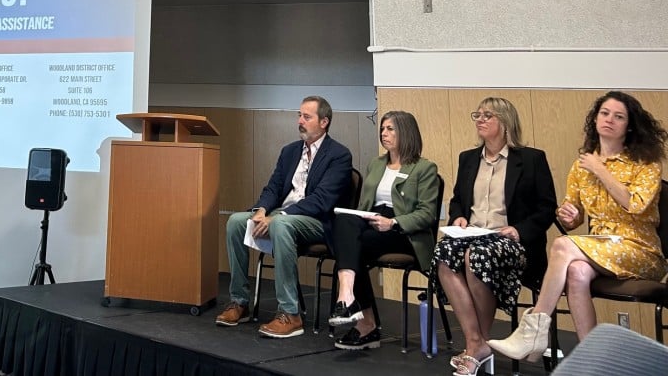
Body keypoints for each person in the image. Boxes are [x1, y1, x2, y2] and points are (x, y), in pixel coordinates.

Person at [489, 91, 668, 362]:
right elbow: (572, 220)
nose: (609, 120)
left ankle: (533, 331)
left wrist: (601, 169)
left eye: (618, 117)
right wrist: (568, 215)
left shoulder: (645, 163)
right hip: (601, 248)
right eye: (604, 113)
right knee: (576, 271)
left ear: (629, 126)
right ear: (595, 120)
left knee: (561, 245)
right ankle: (593, 359)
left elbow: (636, 205)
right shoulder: (581, 166)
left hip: (641, 251)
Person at [434, 97, 557, 376]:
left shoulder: (531, 159)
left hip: (511, 241)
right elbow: (457, 201)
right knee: (443, 253)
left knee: (476, 256)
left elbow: (546, 207)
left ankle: (477, 344)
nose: (480, 119)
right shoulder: (468, 158)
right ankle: (476, 342)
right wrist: (458, 218)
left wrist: (519, 229)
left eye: (488, 115)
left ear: (505, 122)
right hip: (473, 235)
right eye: (477, 114)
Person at [215, 96, 353, 338]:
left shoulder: (339, 155)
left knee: (280, 223)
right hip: (282, 217)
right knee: (236, 222)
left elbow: (321, 200)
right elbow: (273, 188)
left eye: (306, 117)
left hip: (318, 221)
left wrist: (280, 215)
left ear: (324, 122)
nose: (300, 121)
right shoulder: (289, 151)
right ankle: (240, 301)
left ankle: (291, 313)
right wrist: (260, 211)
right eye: (299, 115)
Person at [327, 111, 440, 350]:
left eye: (390, 129)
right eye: (383, 129)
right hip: (372, 221)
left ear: (406, 133)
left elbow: (427, 214)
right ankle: (348, 298)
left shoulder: (424, 168)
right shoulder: (376, 164)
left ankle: (363, 320)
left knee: (347, 254)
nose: (384, 134)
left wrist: (394, 222)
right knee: (345, 222)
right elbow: (364, 205)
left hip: (403, 231)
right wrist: (364, 218)